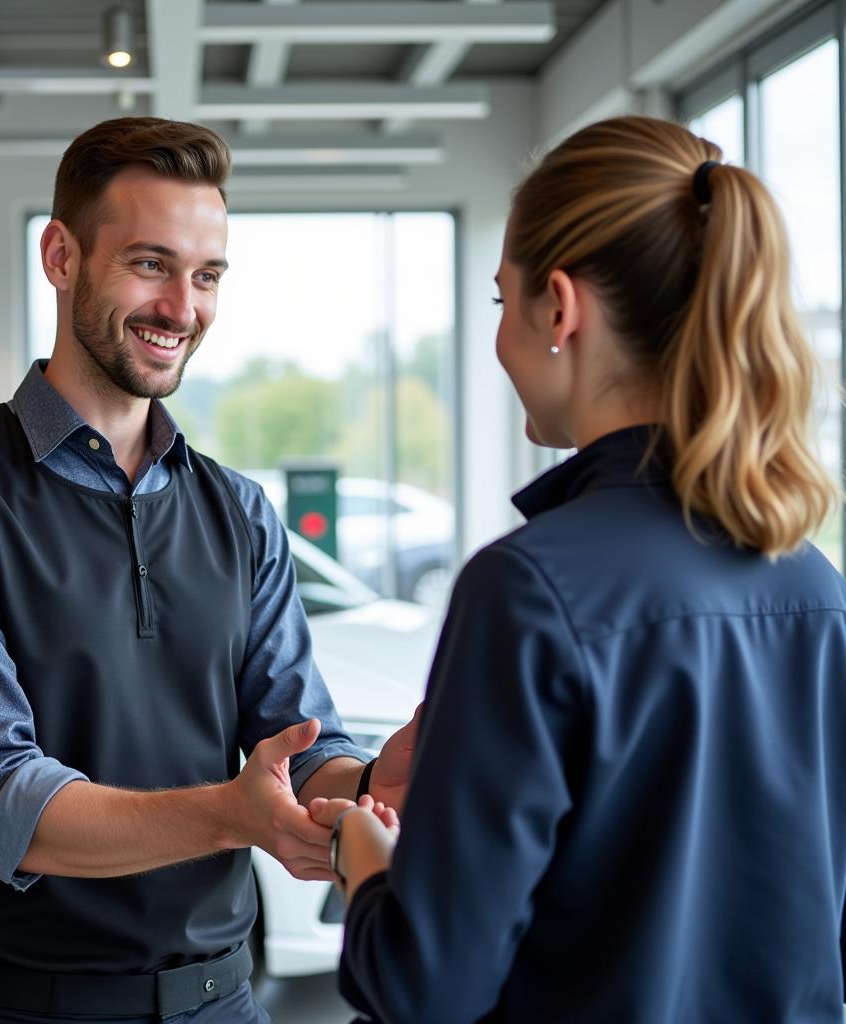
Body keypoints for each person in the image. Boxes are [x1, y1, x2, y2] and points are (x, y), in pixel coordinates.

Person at [0, 116, 415, 1024]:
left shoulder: (239, 511)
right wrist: (236, 816)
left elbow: (299, 740)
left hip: (221, 1001)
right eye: (150, 264)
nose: (181, 309)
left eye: (206, 276)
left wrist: (367, 784)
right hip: (15, 1009)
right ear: (61, 255)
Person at [310, 115, 846, 1023]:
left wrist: (361, 854)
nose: (498, 335)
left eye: (498, 302)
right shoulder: (815, 588)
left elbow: (424, 986)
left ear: (559, 309)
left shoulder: (528, 589)